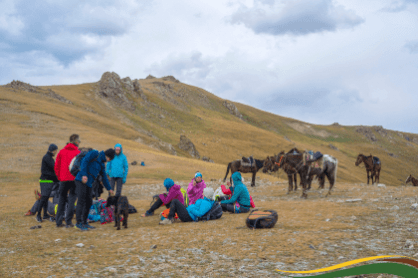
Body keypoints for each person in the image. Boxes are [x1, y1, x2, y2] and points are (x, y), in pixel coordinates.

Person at [74, 148, 115, 231]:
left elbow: (104, 178)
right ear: (107, 156)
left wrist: (109, 189)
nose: (108, 160)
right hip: (81, 180)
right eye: (109, 159)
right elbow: (84, 161)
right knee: (81, 201)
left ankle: (85, 222)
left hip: (89, 183)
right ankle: (78, 223)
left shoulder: (102, 164)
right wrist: (84, 175)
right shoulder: (95, 153)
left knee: (89, 202)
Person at [54, 134, 81, 228]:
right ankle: (68, 222)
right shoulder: (78, 153)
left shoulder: (61, 152)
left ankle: (58, 222)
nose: (79, 143)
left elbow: (56, 166)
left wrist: (59, 177)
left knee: (61, 200)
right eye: (79, 141)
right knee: (72, 200)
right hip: (74, 180)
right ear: (76, 142)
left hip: (63, 180)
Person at [36, 144, 59, 222]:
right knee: (44, 197)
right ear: (52, 150)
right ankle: (38, 215)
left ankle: (45, 214)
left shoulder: (50, 158)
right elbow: (54, 169)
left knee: (46, 198)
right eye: (55, 150)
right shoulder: (47, 158)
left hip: (49, 181)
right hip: (45, 181)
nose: (56, 152)